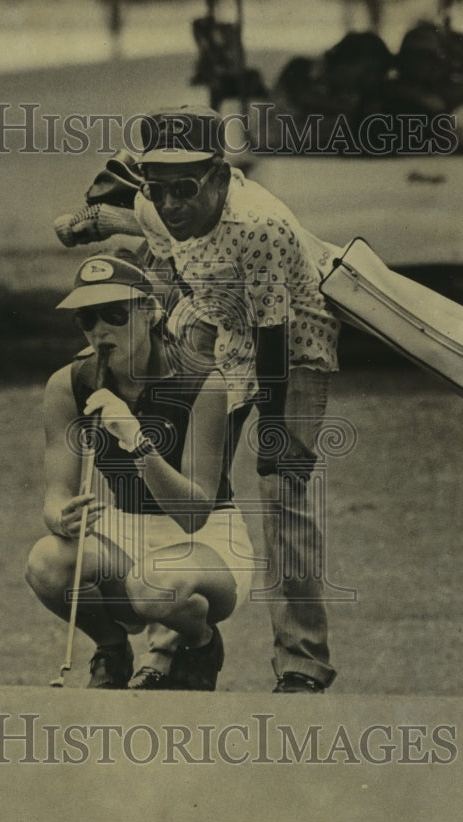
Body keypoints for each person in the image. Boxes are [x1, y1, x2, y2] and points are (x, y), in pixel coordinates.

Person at [128, 105, 341, 694]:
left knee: (282, 490)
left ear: (221, 176)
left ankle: (302, 663)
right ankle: (172, 644)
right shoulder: (156, 207)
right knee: (189, 482)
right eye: (159, 188)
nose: (169, 205)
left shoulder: (258, 225)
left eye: (185, 189)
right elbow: (147, 234)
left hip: (292, 346)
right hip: (226, 331)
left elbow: (272, 335)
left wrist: (271, 432)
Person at [24, 250, 255, 691]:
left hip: (203, 541)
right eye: (87, 320)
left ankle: (200, 641)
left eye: (115, 313)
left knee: (152, 583)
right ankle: (112, 649)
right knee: (45, 561)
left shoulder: (201, 381)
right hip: (124, 529)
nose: (100, 330)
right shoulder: (69, 384)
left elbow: (194, 512)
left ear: (150, 312)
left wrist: (135, 439)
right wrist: (63, 518)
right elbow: (55, 497)